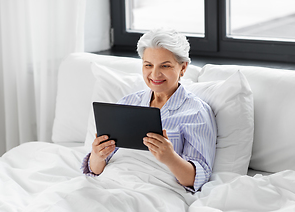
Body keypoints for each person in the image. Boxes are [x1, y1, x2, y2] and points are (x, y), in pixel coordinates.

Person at [82, 28, 217, 192]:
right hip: (110, 182)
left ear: (183, 68)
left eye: (165, 66)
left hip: (155, 189)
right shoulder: (128, 103)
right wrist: (97, 155)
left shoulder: (196, 112)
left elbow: (197, 179)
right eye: (148, 65)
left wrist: (170, 157)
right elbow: (95, 171)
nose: (155, 74)